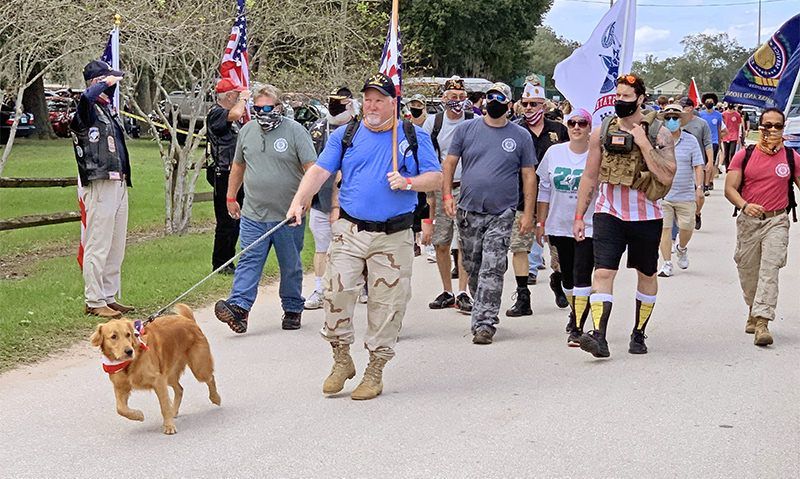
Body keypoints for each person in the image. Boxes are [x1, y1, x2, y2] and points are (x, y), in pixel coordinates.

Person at [287, 73, 442, 400]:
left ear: (393, 103)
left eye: (379, 100)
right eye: (368, 99)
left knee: (387, 304)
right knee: (335, 292)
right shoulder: (347, 134)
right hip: (350, 229)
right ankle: (341, 358)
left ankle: (375, 369)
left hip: (393, 235)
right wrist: (299, 201)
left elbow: (436, 178)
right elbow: (319, 171)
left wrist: (409, 183)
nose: (371, 105)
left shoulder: (412, 136)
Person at [573, 73, 676, 358]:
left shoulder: (659, 134)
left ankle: (639, 332)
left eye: (627, 97)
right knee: (603, 272)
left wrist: (643, 143)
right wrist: (579, 216)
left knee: (646, 274)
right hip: (609, 213)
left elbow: (667, 175)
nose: (620, 102)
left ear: (641, 99)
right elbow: (590, 176)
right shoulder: (602, 131)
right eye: (618, 97)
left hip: (646, 217)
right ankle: (599, 336)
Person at [214, 85, 317, 334]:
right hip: (254, 213)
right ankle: (239, 308)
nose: (262, 113)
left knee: (290, 264)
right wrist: (230, 197)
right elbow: (238, 166)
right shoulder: (247, 131)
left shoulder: (295, 132)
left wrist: (306, 201)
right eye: (257, 108)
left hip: (287, 215)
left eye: (268, 108)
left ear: (279, 107)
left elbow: (312, 168)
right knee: (248, 259)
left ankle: (293, 308)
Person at [442, 82, 537, 345]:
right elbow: (449, 163)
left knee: (493, 266)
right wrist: (448, 195)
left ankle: (485, 322)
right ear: (484, 101)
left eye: (500, 98)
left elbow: (528, 176)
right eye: (491, 97)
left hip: (503, 211)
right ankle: (480, 302)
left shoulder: (520, 136)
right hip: (469, 209)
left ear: (509, 103)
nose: (494, 102)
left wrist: (527, 213)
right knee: (473, 266)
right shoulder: (466, 129)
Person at [724, 108, 800, 347]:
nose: (772, 130)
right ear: (760, 126)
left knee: (770, 270)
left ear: (783, 127)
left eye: (778, 126)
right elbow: (730, 189)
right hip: (749, 223)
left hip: (777, 221)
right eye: (768, 125)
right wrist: (744, 205)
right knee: (748, 272)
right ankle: (752, 309)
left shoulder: (791, 157)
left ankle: (762, 322)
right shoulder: (744, 155)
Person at [70, 60, 134, 319]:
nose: (114, 86)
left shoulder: (108, 110)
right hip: (98, 180)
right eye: (110, 81)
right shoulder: (86, 108)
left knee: (116, 243)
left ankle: (108, 294)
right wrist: (101, 84)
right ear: (98, 81)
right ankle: (94, 298)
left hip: (118, 180)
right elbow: (86, 98)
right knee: (98, 242)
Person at [535, 108, 596, 347]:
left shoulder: (595, 154)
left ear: (590, 128)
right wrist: (541, 223)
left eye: (582, 123)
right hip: (559, 225)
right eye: (572, 123)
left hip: (588, 225)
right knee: (567, 277)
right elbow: (545, 189)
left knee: (583, 273)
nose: (577, 127)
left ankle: (579, 327)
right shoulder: (554, 152)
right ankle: (575, 311)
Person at [513, 81, 569, 315]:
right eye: (525, 103)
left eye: (534, 103)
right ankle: (523, 295)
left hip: (554, 199)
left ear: (544, 105)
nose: (529, 108)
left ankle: (559, 281)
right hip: (521, 199)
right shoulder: (514, 129)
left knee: (559, 251)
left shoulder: (559, 130)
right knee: (519, 247)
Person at [422, 76, 474, 313]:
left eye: (461, 97)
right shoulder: (434, 123)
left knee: (464, 239)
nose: (457, 102)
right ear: (444, 99)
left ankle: (463, 290)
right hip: (443, 185)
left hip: (467, 185)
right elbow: (426, 157)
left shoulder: (474, 121)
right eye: (453, 97)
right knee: (441, 241)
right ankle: (447, 290)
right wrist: (431, 196)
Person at [304, 87, 358, 310]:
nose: (334, 107)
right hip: (320, 199)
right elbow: (308, 163)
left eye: (340, 103)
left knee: (354, 248)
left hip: (351, 202)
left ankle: (358, 287)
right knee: (321, 246)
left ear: (350, 104)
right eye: (331, 102)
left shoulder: (361, 129)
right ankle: (319, 288)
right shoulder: (317, 128)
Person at [206, 79, 250, 275]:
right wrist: (243, 100)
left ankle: (230, 260)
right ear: (230, 96)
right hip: (223, 172)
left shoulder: (232, 120)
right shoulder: (216, 113)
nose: (240, 98)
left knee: (236, 219)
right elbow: (236, 113)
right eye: (237, 95)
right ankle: (220, 264)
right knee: (226, 220)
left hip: (236, 173)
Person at [656, 104, 705, 277]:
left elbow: (698, 165)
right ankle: (667, 263)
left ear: (681, 121)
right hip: (664, 194)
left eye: (675, 118)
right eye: (668, 118)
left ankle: (681, 247)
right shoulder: (658, 140)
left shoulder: (690, 140)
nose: (671, 121)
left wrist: (700, 187)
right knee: (665, 229)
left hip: (686, 194)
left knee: (687, 227)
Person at [679, 96, 713, 228]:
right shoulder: (675, 122)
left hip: (697, 164)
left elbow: (707, 143)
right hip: (682, 164)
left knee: (699, 195)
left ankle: (697, 212)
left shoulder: (701, 123)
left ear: (691, 108)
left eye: (683, 107)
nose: (681, 110)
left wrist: (710, 161)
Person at [698, 92, 726, 192]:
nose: (709, 102)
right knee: (702, 163)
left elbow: (720, 130)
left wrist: (718, 143)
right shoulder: (700, 114)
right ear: (704, 102)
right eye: (707, 101)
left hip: (713, 142)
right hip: (702, 142)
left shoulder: (718, 115)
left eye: (711, 101)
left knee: (711, 163)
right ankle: (701, 182)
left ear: (714, 102)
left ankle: (707, 183)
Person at [722, 103, 743, 170]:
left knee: (732, 152)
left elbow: (739, 126)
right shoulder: (723, 114)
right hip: (726, 136)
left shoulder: (737, 115)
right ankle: (727, 167)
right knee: (726, 153)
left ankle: (732, 167)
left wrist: (739, 136)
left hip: (734, 135)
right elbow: (721, 125)